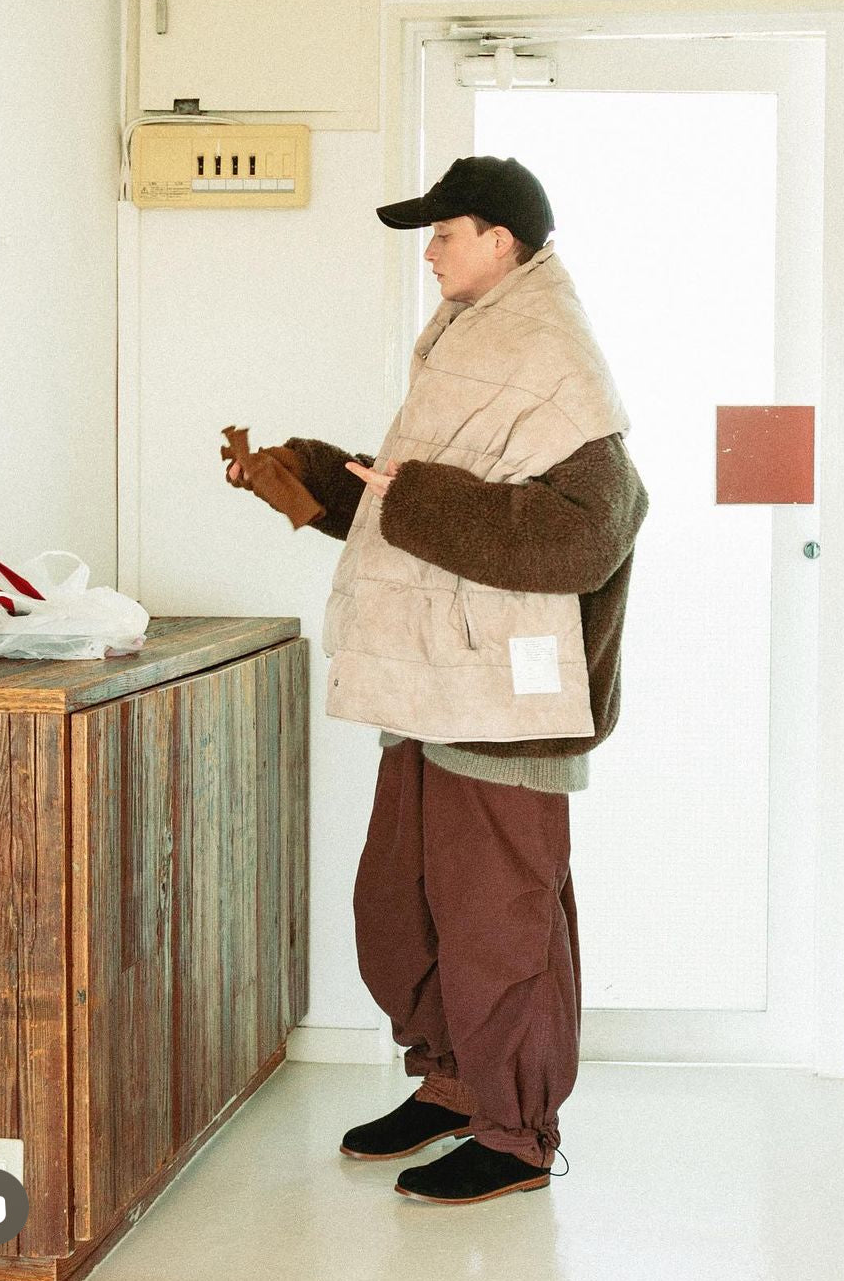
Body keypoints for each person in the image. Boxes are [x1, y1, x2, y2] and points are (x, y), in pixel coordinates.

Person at [225, 155, 648, 1205]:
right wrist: (317, 481)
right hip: (439, 688)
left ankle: (517, 1132)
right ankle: (456, 1086)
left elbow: (592, 530)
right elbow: (430, 500)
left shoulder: (550, 354)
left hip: (507, 708)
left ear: (501, 241)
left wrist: (407, 499)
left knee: (500, 926)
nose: (431, 252)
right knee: (403, 907)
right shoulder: (478, 344)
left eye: (446, 233)